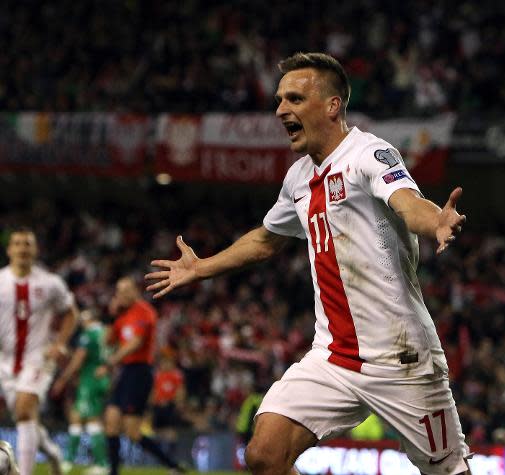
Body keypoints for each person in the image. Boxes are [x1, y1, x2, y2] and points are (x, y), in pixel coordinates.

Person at [146, 52, 471, 475]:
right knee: (265, 455)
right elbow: (266, 240)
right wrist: (201, 266)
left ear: (332, 105)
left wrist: (436, 222)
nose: (282, 110)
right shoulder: (299, 177)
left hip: (401, 358)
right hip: (334, 357)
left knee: (449, 472)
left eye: (295, 99)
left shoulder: (370, 154)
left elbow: (408, 203)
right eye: (280, 100)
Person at [0, 227, 77, 475]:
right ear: (9, 249)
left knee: (23, 410)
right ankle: (53, 452)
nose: (23, 248)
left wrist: (60, 344)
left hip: (38, 359)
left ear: (35, 249)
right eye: (18, 243)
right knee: (26, 417)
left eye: (28, 244)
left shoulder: (50, 282)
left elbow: (71, 313)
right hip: (5, 362)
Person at [97, 277, 185, 475]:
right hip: (126, 371)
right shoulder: (121, 316)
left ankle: (173, 466)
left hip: (140, 372)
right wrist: (111, 316)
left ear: (135, 291)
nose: (122, 295)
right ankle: (113, 471)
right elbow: (107, 342)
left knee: (133, 432)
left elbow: (135, 343)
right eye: (119, 292)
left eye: (126, 290)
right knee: (111, 421)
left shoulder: (144, 312)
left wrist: (111, 362)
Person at [50, 308, 110, 475]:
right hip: (100, 379)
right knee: (79, 418)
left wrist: (63, 378)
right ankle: (70, 460)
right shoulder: (104, 332)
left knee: (90, 421)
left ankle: (99, 464)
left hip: (89, 380)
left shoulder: (88, 335)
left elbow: (79, 358)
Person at [147, 350, 186, 459]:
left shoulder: (176, 375)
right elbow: (153, 390)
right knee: (156, 430)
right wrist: (151, 403)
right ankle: (158, 457)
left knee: (171, 431)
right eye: (163, 362)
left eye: (167, 362)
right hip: (158, 406)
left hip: (170, 405)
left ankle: (171, 456)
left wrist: (179, 403)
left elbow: (180, 390)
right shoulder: (157, 375)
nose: (165, 364)